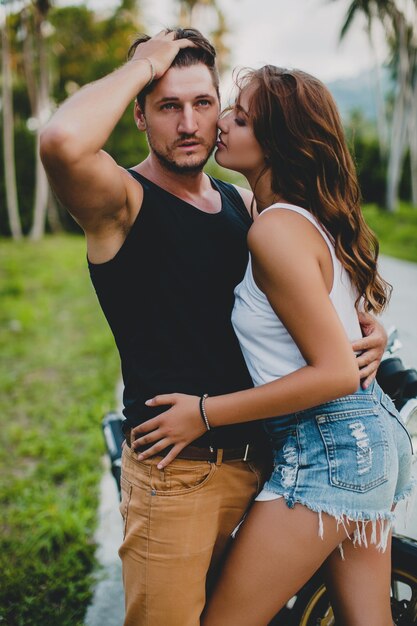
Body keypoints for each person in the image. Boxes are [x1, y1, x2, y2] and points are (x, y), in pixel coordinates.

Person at [40, 29, 387, 626]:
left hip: (270, 463)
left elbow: (308, 284)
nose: (189, 123)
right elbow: (63, 140)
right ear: (141, 115)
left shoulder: (240, 204)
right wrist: (147, 62)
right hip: (179, 474)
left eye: (203, 103)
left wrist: (365, 332)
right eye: (167, 105)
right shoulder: (122, 200)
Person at [131, 66, 414, 625]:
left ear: (279, 141)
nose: (221, 127)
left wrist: (205, 414)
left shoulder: (274, 230)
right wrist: (368, 333)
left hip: (329, 449)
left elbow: (333, 371)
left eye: (240, 117)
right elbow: (339, 328)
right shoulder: (296, 218)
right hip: (369, 443)